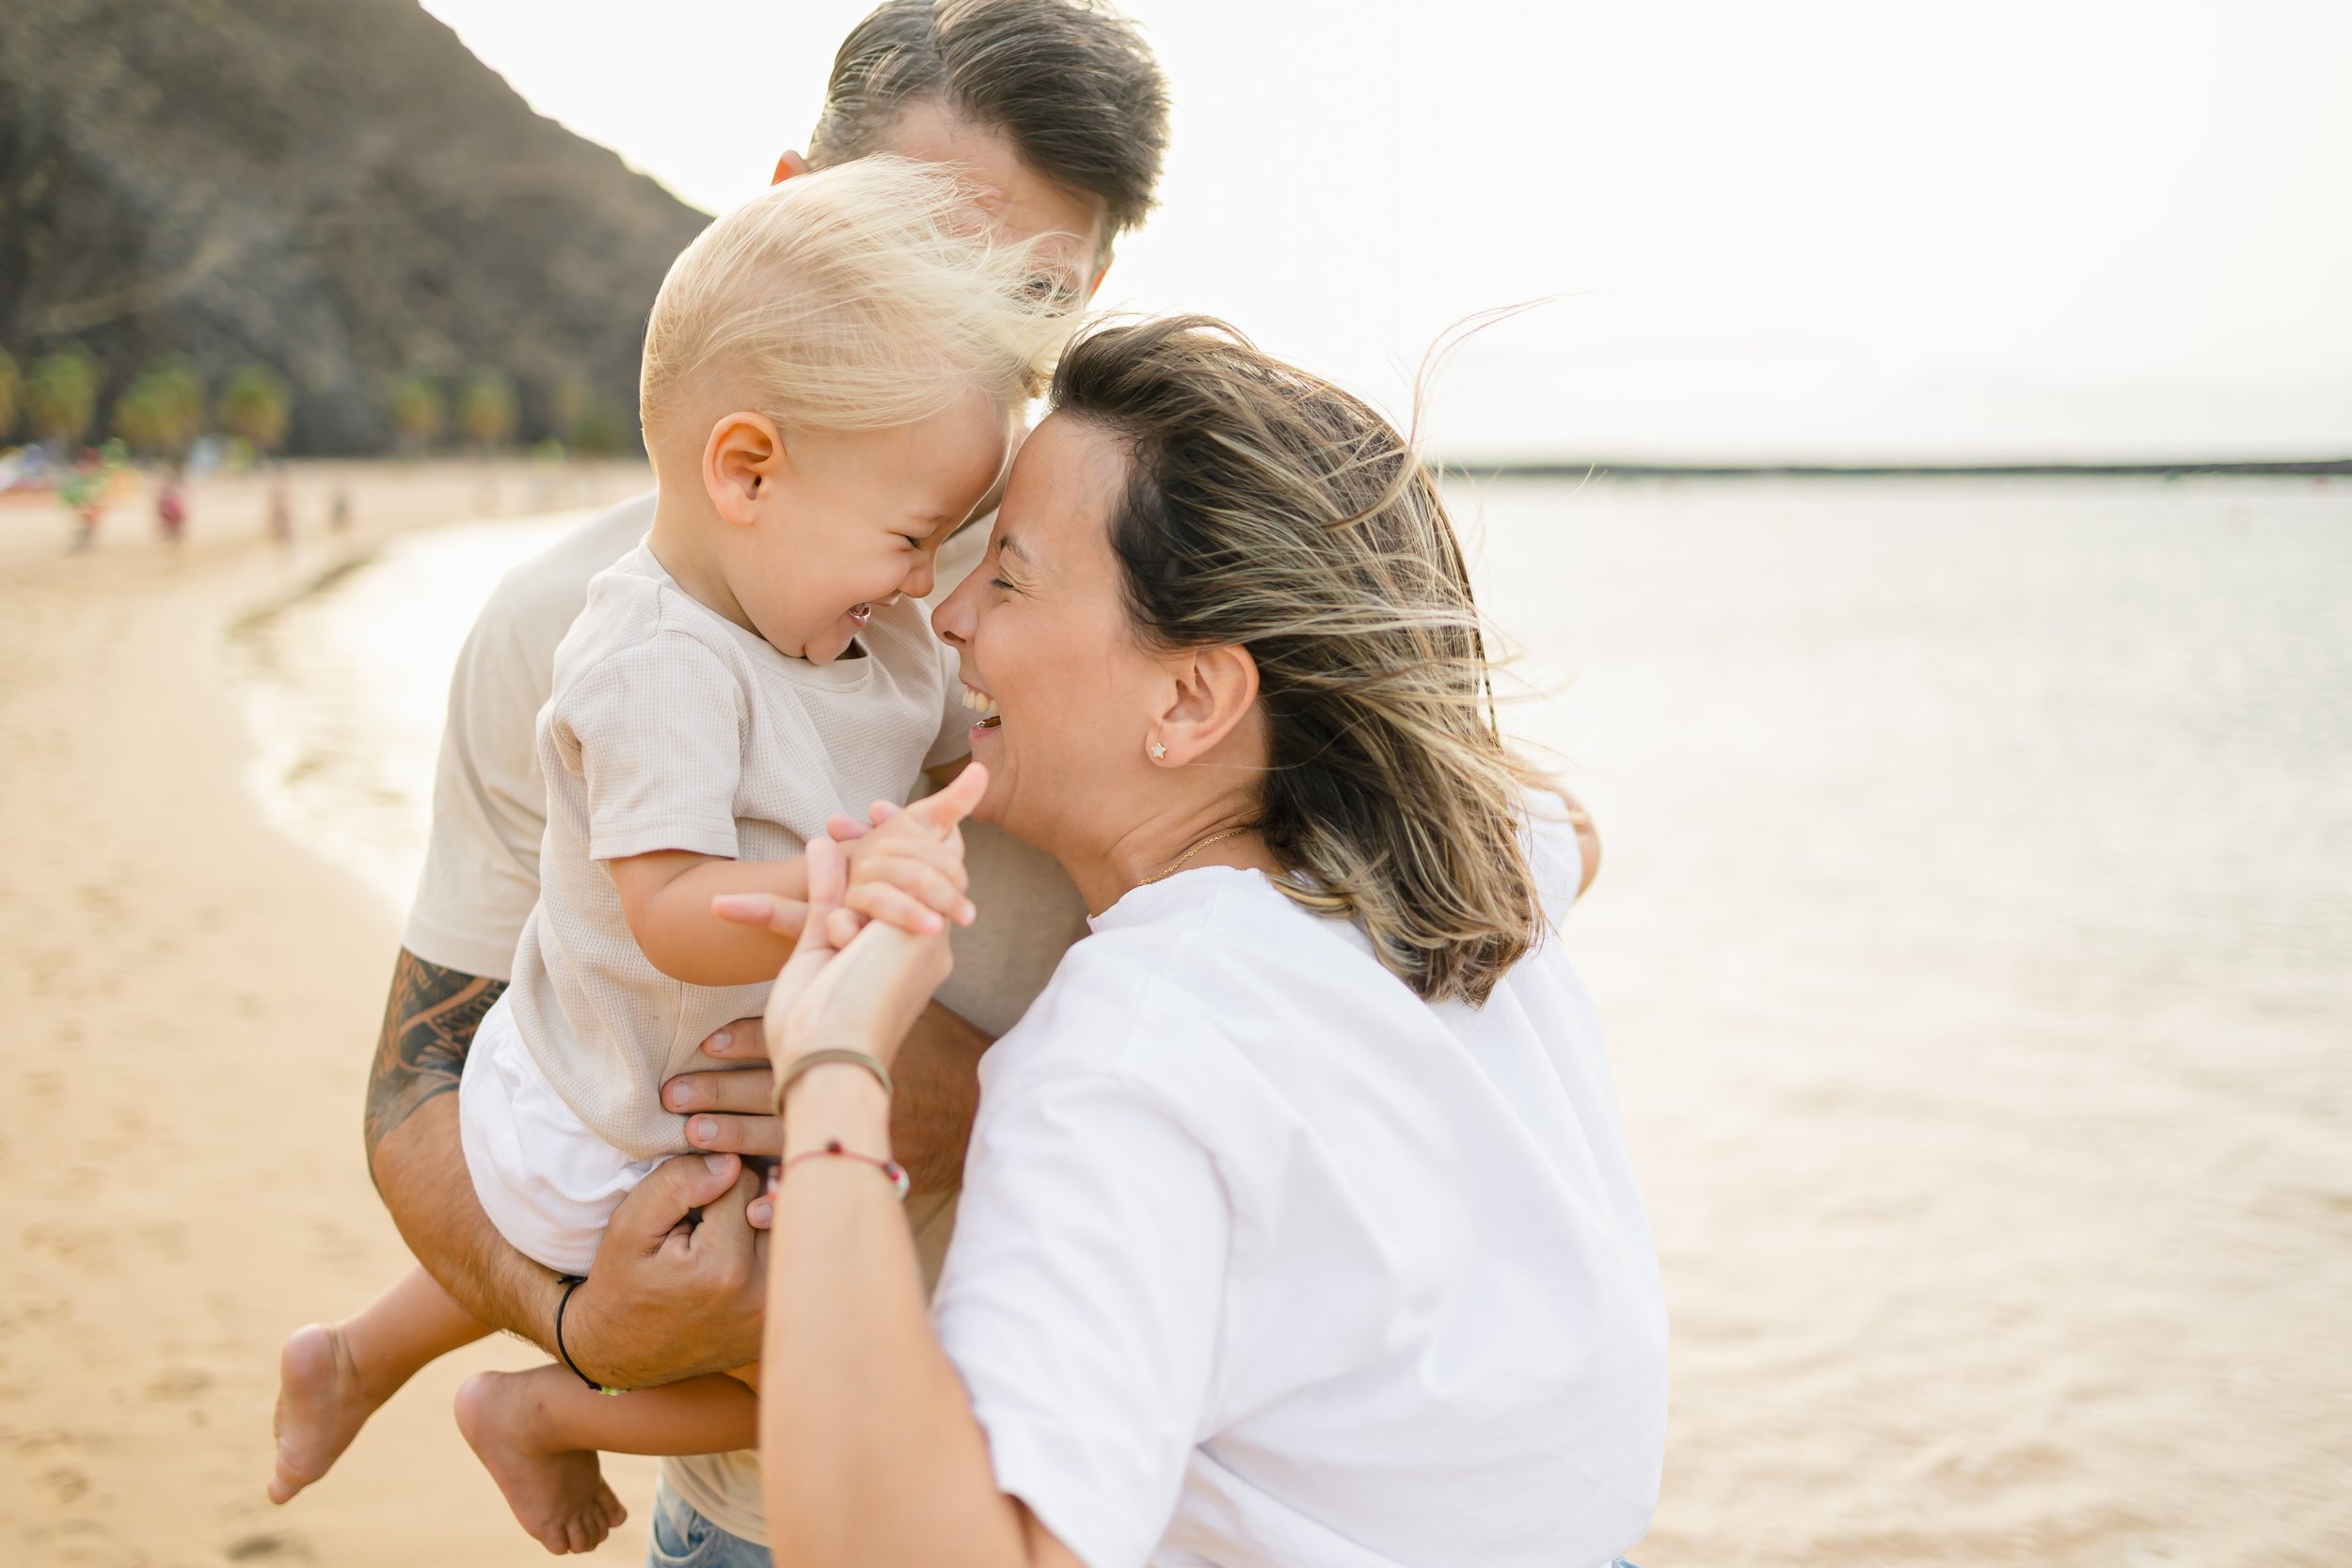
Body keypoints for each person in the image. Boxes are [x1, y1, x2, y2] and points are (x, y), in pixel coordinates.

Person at [349, 4, 1170, 1562]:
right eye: (913, 245)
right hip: (750, 1516)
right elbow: (419, 1092)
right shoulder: (583, 632)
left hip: (1105, 1497)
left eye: (1026, 295)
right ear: (789, 203)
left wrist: (976, 1096)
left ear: (1092, 298)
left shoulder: (1159, 600)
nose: (956, 322)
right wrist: (588, 1325)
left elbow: (1346, 989)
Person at [728, 317, 1662, 1568]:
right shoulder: (1481, 873)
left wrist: (832, 1069)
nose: (947, 614)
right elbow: (1566, 825)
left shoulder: (1133, 1052)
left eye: (1006, 574)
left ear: (1191, 699)